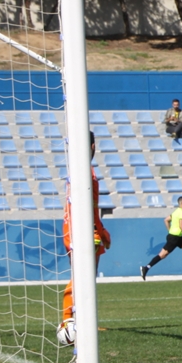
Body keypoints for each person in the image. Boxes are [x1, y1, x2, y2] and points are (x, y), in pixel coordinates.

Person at [61, 132, 111, 327]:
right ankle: (68, 321)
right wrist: (101, 231)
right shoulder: (86, 174)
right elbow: (89, 208)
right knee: (83, 276)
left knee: (84, 276)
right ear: (92, 146)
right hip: (83, 230)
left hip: (73, 227)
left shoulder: (77, 170)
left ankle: (82, 320)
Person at [141, 196, 182, 279]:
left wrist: (170, 230)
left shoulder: (176, 212)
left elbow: (166, 220)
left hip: (176, 236)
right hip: (175, 237)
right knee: (162, 255)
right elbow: (181, 226)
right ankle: (146, 268)